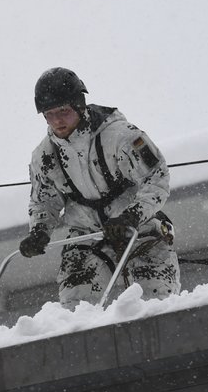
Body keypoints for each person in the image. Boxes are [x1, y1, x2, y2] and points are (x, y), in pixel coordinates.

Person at [19, 67, 180, 305]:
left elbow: (156, 177)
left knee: (155, 299)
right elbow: (43, 201)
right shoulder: (44, 156)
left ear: (79, 105)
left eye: (63, 111)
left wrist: (131, 216)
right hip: (86, 234)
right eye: (49, 114)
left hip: (138, 227)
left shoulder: (122, 137)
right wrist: (39, 231)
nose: (57, 121)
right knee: (75, 307)